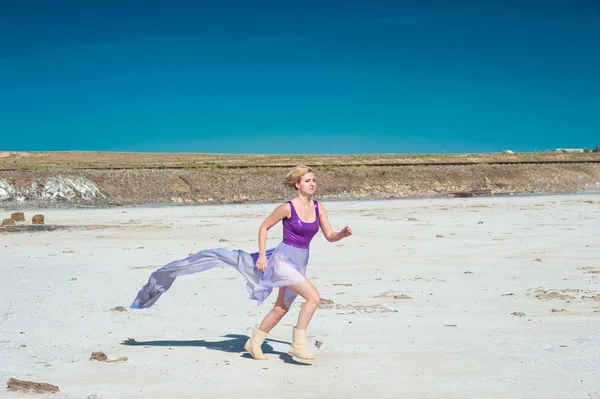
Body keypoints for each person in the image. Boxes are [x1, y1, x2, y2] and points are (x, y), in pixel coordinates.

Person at [130, 164, 352, 361]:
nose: (312, 183)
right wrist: (263, 256)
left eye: (313, 180)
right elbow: (264, 227)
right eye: (307, 180)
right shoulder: (288, 207)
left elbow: (330, 235)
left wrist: (341, 234)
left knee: (281, 308)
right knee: (314, 297)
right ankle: (298, 345)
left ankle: (253, 343)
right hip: (283, 260)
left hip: (301, 260)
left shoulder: (318, 207)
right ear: (297, 184)